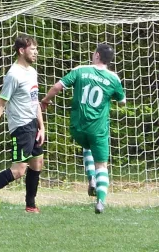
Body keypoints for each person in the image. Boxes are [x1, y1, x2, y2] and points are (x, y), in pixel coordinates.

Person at [41, 44, 126, 214]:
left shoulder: (81, 70)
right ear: (109, 60)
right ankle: (101, 200)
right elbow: (122, 101)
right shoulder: (113, 78)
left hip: (77, 127)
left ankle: (91, 179)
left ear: (96, 55)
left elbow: (58, 87)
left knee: (86, 147)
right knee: (101, 164)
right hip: (98, 129)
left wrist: (45, 101)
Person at [0, 35, 45, 213]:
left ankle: (30, 205)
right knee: (19, 170)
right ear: (22, 51)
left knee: (37, 163)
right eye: (32, 49)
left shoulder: (32, 72)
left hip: (33, 124)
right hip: (21, 127)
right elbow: (0, 105)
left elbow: (35, 102)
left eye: (36, 49)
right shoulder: (13, 74)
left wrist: (42, 126)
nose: (36, 52)